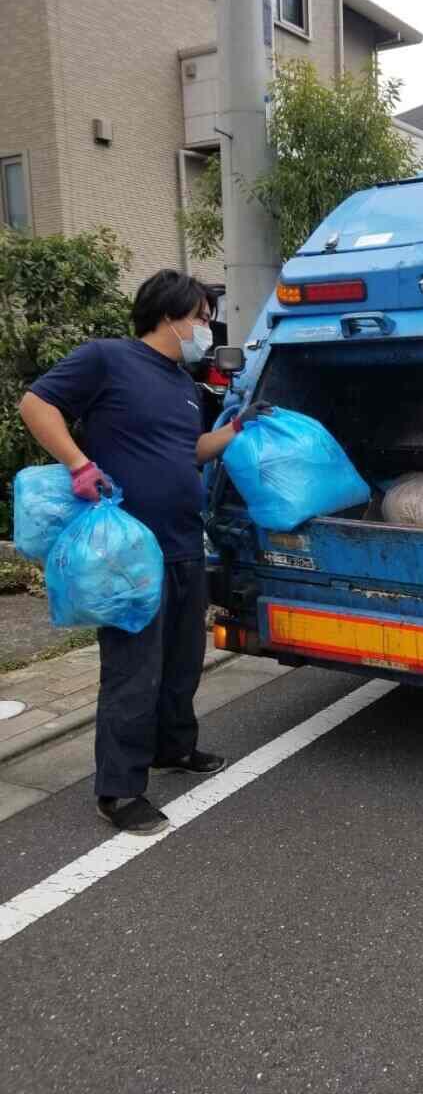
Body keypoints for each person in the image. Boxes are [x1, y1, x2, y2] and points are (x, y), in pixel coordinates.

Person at [19, 269, 271, 836]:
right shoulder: (107, 358)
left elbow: (192, 453)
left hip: (183, 543)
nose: (207, 328)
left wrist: (234, 429)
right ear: (170, 314)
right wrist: (79, 465)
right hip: (128, 553)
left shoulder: (183, 384)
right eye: (203, 318)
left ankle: (174, 749)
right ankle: (120, 789)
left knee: (183, 662)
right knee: (134, 673)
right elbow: (35, 404)